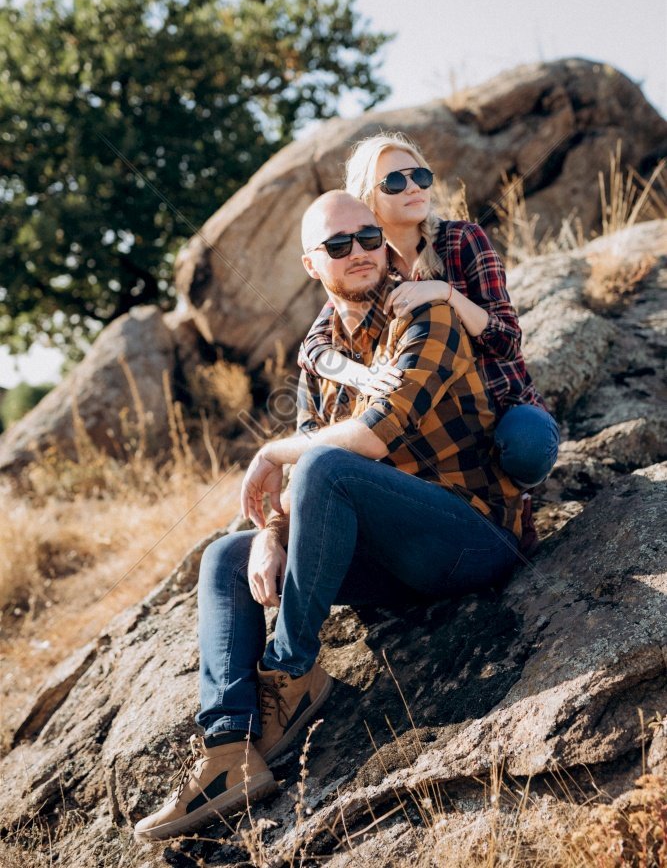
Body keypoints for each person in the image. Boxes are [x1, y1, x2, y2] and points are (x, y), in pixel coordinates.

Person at [133, 191, 524, 842]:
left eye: (369, 237)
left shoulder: (424, 313)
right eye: (338, 246)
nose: (361, 252)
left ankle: (290, 672)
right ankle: (229, 750)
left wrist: (269, 451)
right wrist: (270, 533)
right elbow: (315, 443)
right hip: (391, 557)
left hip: (468, 537)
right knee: (224, 557)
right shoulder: (319, 349)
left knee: (325, 466)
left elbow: (366, 439)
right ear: (312, 265)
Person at [298, 132, 560, 502]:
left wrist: (445, 293)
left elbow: (506, 340)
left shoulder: (461, 239)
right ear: (368, 198)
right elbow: (313, 345)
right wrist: (360, 375)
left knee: (528, 445)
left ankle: (517, 503)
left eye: (419, 175)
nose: (413, 188)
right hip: (436, 420)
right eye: (394, 181)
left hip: (503, 407)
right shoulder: (368, 263)